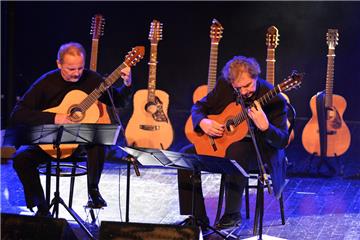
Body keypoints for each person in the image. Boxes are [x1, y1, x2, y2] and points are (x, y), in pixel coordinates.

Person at [10, 42, 133, 216]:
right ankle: (42, 208)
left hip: (79, 147)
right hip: (49, 144)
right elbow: (18, 114)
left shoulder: (92, 80)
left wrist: (127, 84)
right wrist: (54, 118)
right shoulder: (46, 82)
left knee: (98, 139)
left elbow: (119, 101)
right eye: (71, 69)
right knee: (21, 159)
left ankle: (93, 191)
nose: (76, 73)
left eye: (80, 68)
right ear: (59, 64)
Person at [178, 56, 289, 229]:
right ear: (231, 83)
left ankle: (232, 214)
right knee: (185, 155)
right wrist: (203, 122)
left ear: (255, 77)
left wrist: (266, 127)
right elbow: (199, 107)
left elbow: (282, 140)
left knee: (237, 151)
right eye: (238, 88)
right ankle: (198, 218)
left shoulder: (273, 98)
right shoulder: (225, 86)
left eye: (247, 86)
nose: (244, 92)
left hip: (258, 152)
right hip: (222, 144)